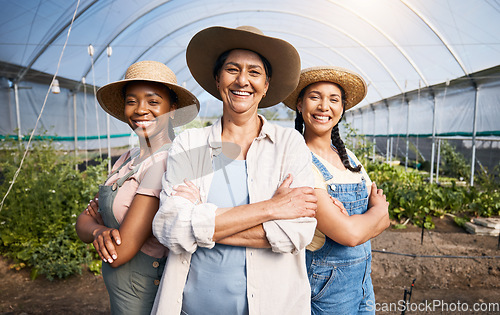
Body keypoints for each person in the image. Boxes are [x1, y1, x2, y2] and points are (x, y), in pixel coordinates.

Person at [151, 26, 317, 315]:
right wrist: (272, 208)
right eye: (232, 69)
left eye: (254, 72)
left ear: (266, 85)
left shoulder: (289, 143)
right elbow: (170, 228)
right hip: (195, 306)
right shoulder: (190, 144)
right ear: (218, 80)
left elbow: (297, 232)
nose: (242, 80)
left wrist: (200, 220)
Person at [75, 60, 199, 315]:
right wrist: (99, 231)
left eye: (153, 102)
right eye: (132, 101)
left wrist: (95, 228)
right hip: (121, 291)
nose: (141, 110)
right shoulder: (128, 158)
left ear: (172, 109)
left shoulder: (164, 162)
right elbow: (82, 223)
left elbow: (119, 253)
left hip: (143, 293)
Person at [283, 66, 390, 314]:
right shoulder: (298, 160)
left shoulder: (348, 157)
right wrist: (375, 213)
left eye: (334, 99)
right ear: (300, 105)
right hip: (326, 286)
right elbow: (350, 235)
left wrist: (363, 220)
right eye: (315, 97)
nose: (324, 106)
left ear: (342, 109)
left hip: (363, 281)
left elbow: (385, 220)